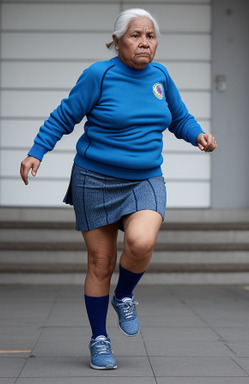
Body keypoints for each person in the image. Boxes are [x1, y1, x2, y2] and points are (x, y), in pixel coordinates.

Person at [20, 8, 217, 370]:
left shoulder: (161, 76)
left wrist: (198, 136)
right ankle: (99, 339)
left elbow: (179, 118)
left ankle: (124, 294)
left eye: (151, 36)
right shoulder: (99, 74)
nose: (144, 42)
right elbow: (65, 116)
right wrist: (37, 152)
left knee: (142, 243)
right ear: (117, 41)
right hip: (93, 178)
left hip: (145, 177)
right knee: (101, 262)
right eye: (135, 35)